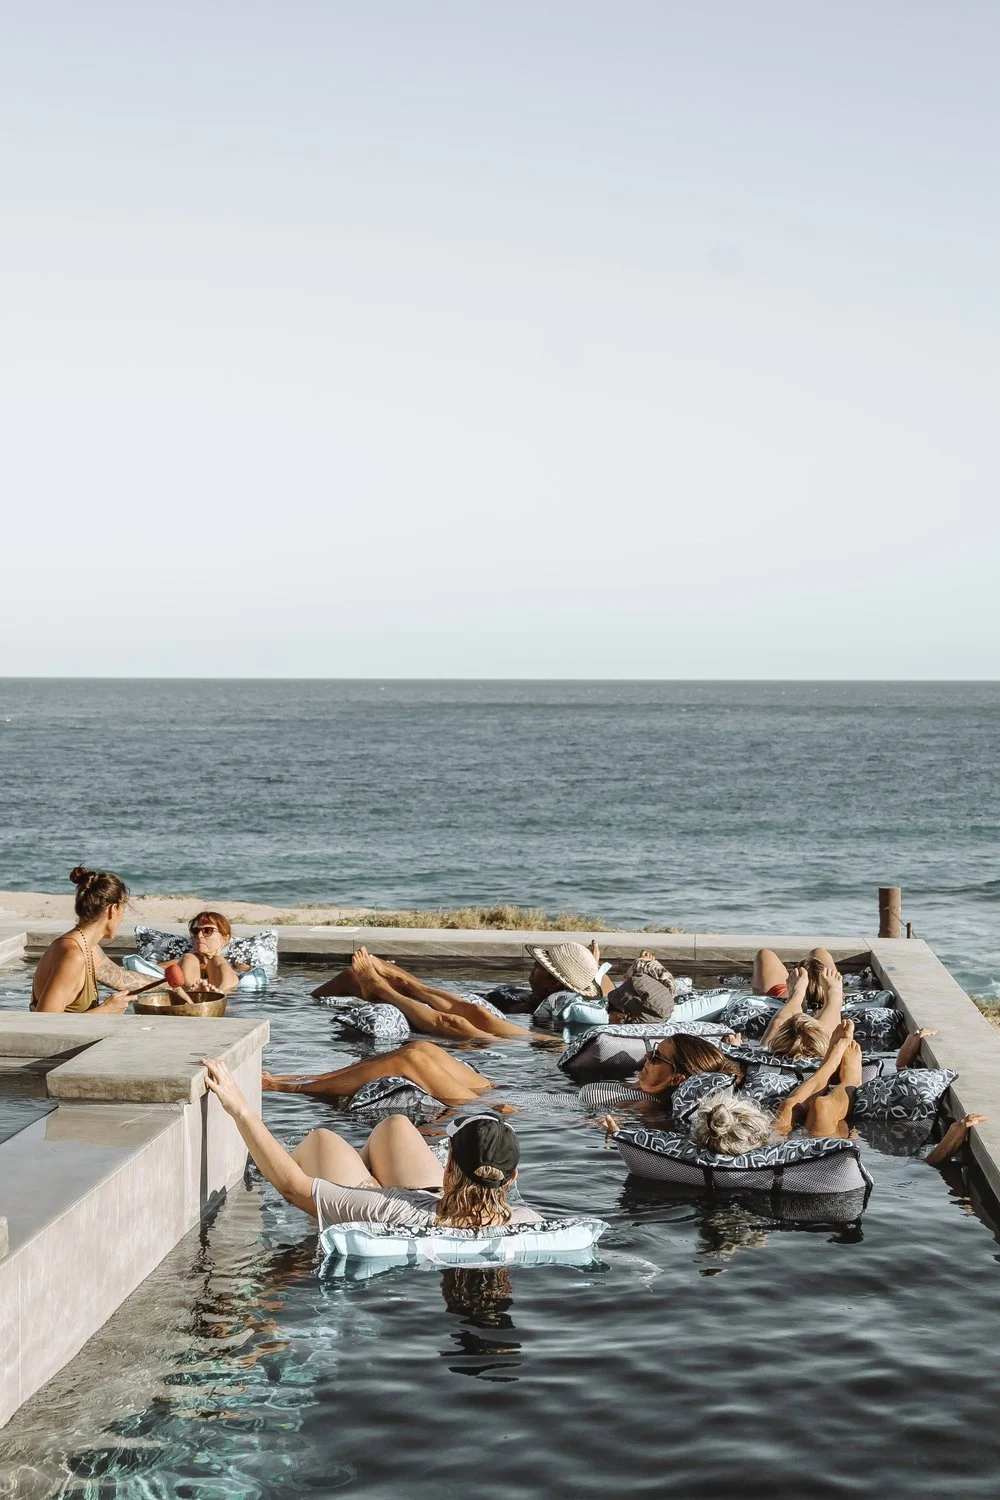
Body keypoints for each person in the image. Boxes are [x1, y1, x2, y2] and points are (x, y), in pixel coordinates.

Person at [201, 1057, 541, 1229]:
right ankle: (359, 1173)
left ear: (448, 1166)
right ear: (513, 1178)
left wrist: (240, 1108)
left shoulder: (391, 1210)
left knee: (324, 1141)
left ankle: (357, 1181)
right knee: (396, 1125)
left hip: (408, 1210)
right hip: (442, 1202)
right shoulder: (528, 1221)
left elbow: (292, 1188)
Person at [311, 947, 531, 1041]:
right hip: (539, 1041)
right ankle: (405, 984)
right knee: (477, 1012)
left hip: (522, 1050)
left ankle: (380, 989)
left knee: (454, 1023)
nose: (535, 966)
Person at [30, 866, 154, 1014]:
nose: (122, 918)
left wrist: (170, 984)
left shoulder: (88, 947)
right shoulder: (72, 955)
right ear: (112, 909)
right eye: (123, 911)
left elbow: (123, 978)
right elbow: (44, 1022)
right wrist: (106, 1010)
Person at [757, 962, 844, 1058]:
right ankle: (834, 998)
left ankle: (796, 996)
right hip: (819, 1058)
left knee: (778, 1026)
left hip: (776, 1057)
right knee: (825, 1034)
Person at [178, 911, 240, 995]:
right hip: (191, 991)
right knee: (188, 958)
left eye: (207, 931)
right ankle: (193, 992)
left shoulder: (235, 962)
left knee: (216, 959)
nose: (199, 935)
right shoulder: (184, 959)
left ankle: (220, 993)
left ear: (224, 938)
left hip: (225, 989)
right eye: (196, 931)